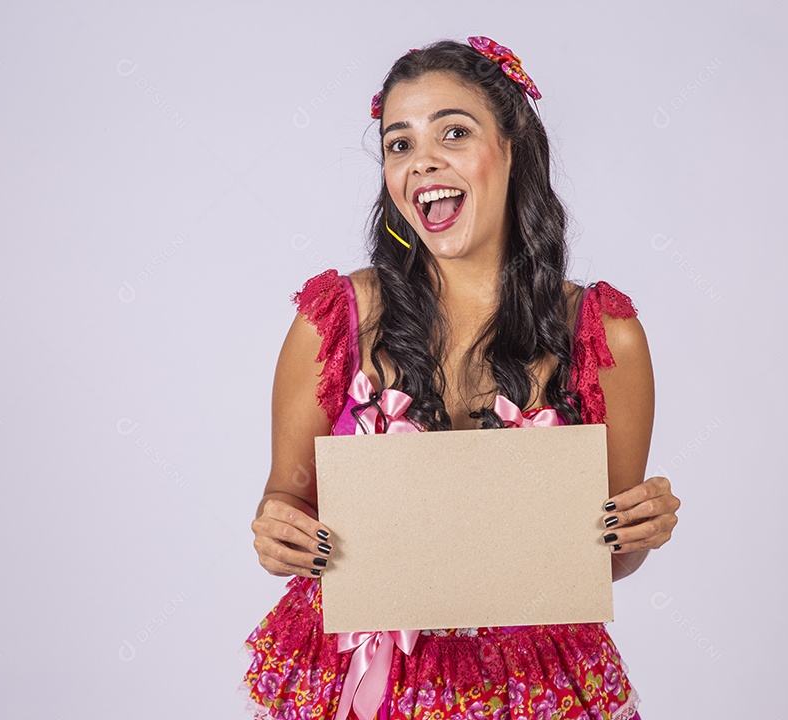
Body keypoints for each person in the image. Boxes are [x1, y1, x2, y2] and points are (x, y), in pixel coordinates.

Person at [241, 36, 681, 720]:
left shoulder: (602, 334)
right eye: (400, 144)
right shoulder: (335, 320)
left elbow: (604, 558)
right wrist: (278, 532)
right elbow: (285, 499)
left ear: (513, 146)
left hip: (528, 684)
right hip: (362, 680)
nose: (423, 162)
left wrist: (638, 529)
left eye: (453, 132)